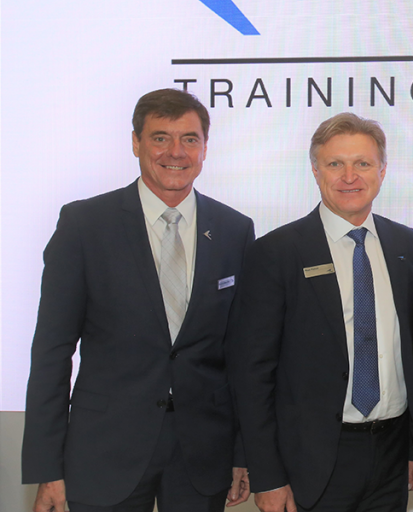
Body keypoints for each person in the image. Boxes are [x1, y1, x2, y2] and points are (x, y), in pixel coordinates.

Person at [21, 88, 254, 512]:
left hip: (203, 455)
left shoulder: (234, 230)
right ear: (135, 143)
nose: (176, 152)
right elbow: (52, 351)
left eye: (189, 139)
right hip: (105, 452)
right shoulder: (84, 225)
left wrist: (243, 453)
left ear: (205, 148)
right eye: (160, 137)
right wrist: (47, 466)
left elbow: (241, 355)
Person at [228, 112, 413, 512]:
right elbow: (251, 374)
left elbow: (410, 351)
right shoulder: (277, 251)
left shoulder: (404, 243)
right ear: (315, 170)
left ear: (382, 170)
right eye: (335, 163)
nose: (349, 176)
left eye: (363, 163)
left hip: (392, 455)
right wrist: (268, 475)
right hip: (310, 460)